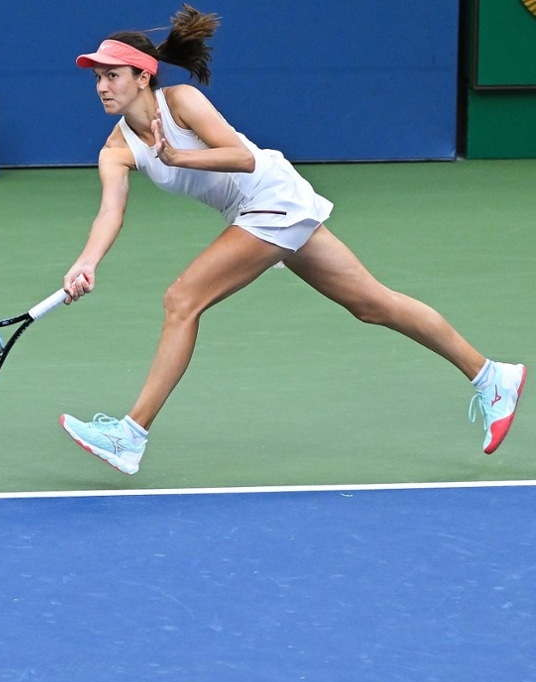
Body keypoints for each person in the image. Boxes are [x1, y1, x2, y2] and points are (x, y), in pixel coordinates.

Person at [57, 5, 526, 475]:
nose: (101, 87)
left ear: (143, 77)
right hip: (254, 209)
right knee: (372, 304)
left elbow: (243, 159)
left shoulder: (180, 102)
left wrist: (177, 156)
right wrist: (88, 261)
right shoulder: (116, 149)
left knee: (183, 299)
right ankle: (492, 376)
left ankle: (130, 435)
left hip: (272, 194)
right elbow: (110, 211)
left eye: (112, 75)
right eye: (97, 77)